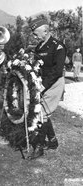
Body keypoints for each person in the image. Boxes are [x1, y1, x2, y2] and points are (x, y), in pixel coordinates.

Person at [27, 18, 66, 159]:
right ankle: (53, 142)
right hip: (42, 83)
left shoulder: (58, 47)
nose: (34, 36)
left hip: (54, 83)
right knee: (43, 112)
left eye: (36, 33)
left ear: (45, 30)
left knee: (42, 113)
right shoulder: (39, 47)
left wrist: (42, 86)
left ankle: (39, 147)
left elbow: (57, 71)